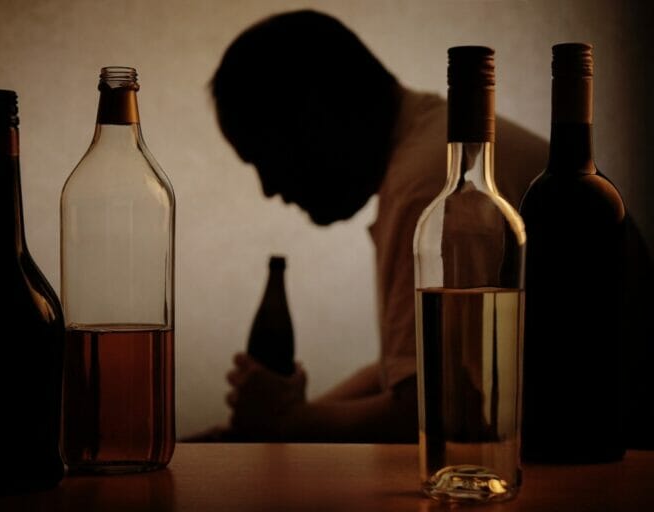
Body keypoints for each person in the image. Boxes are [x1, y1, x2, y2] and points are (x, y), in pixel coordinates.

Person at [208, 9, 549, 442]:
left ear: (312, 118)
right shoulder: (430, 145)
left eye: (264, 157)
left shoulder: (429, 185)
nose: (269, 188)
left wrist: (288, 423)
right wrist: (288, 414)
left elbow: (428, 411)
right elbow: (414, 371)